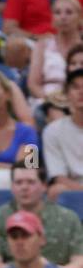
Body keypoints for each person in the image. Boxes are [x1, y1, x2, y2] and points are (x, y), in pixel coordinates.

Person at [0, 158, 83, 268]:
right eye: (19, 182)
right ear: (12, 186)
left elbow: (79, 265)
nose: (24, 187)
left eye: (30, 182)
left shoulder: (68, 219)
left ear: (44, 186)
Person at [28, 0, 83, 103]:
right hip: (48, 99)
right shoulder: (42, 45)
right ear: (52, 18)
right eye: (57, 13)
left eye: (69, 12)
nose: (63, 17)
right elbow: (33, 84)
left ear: (80, 17)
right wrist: (51, 100)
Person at [44, 66, 83, 196]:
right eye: (75, 87)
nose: (81, 92)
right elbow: (58, 177)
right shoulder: (52, 131)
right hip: (72, 188)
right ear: (66, 95)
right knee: (56, 190)